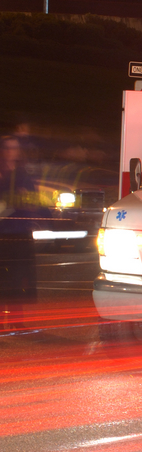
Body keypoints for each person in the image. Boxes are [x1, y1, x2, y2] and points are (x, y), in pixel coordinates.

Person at [0, 136, 44, 331]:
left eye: (15, 148)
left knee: (19, 279)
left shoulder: (23, 174)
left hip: (19, 233)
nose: (12, 152)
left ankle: (17, 321)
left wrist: (25, 198)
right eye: (8, 148)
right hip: (2, 234)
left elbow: (33, 203)